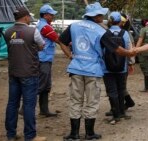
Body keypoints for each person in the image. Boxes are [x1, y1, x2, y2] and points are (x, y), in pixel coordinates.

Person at [58, 2, 136, 140]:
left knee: (76, 100)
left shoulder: (74, 26)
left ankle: (74, 134)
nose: (103, 16)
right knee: (91, 102)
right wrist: (130, 53)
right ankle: (89, 133)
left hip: (76, 69)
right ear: (95, 16)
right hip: (92, 71)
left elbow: (61, 41)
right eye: (100, 14)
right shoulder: (101, 31)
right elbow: (116, 49)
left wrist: (70, 56)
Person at [4, 7, 46, 141]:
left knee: (12, 103)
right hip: (29, 72)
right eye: (29, 17)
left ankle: (10, 134)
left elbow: (10, 46)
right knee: (29, 104)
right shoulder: (33, 31)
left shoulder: (7, 32)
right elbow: (41, 46)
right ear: (26, 17)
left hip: (13, 72)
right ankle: (30, 135)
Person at [36, 4, 71, 117]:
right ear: (45, 15)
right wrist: (70, 45)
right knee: (42, 84)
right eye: (51, 14)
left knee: (46, 85)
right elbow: (58, 39)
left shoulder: (43, 25)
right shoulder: (45, 27)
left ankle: (44, 110)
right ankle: (25, 107)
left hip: (44, 57)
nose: (53, 16)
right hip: (43, 58)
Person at [103, 12, 133, 124]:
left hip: (107, 68)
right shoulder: (125, 33)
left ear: (109, 21)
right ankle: (122, 113)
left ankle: (115, 115)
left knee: (111, 91)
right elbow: (129, 50)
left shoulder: (104, 33)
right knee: (121, 90)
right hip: (122, 67)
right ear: (120, 22)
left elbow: (101, 50)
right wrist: (130, 63)